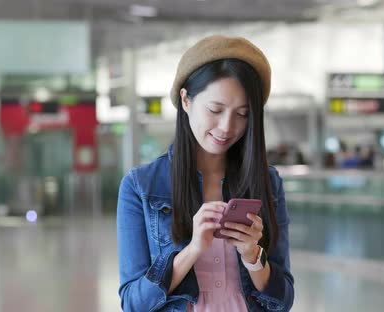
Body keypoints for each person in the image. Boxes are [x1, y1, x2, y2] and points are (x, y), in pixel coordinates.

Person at [117, 35, 294, 311]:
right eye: (215, 109)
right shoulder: (141, 186)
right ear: (186, 100)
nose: (226, 126)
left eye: (242, 114)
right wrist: (193, 249)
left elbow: (284, 301)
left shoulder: (267, 182)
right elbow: (132, 304)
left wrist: (252, 255)